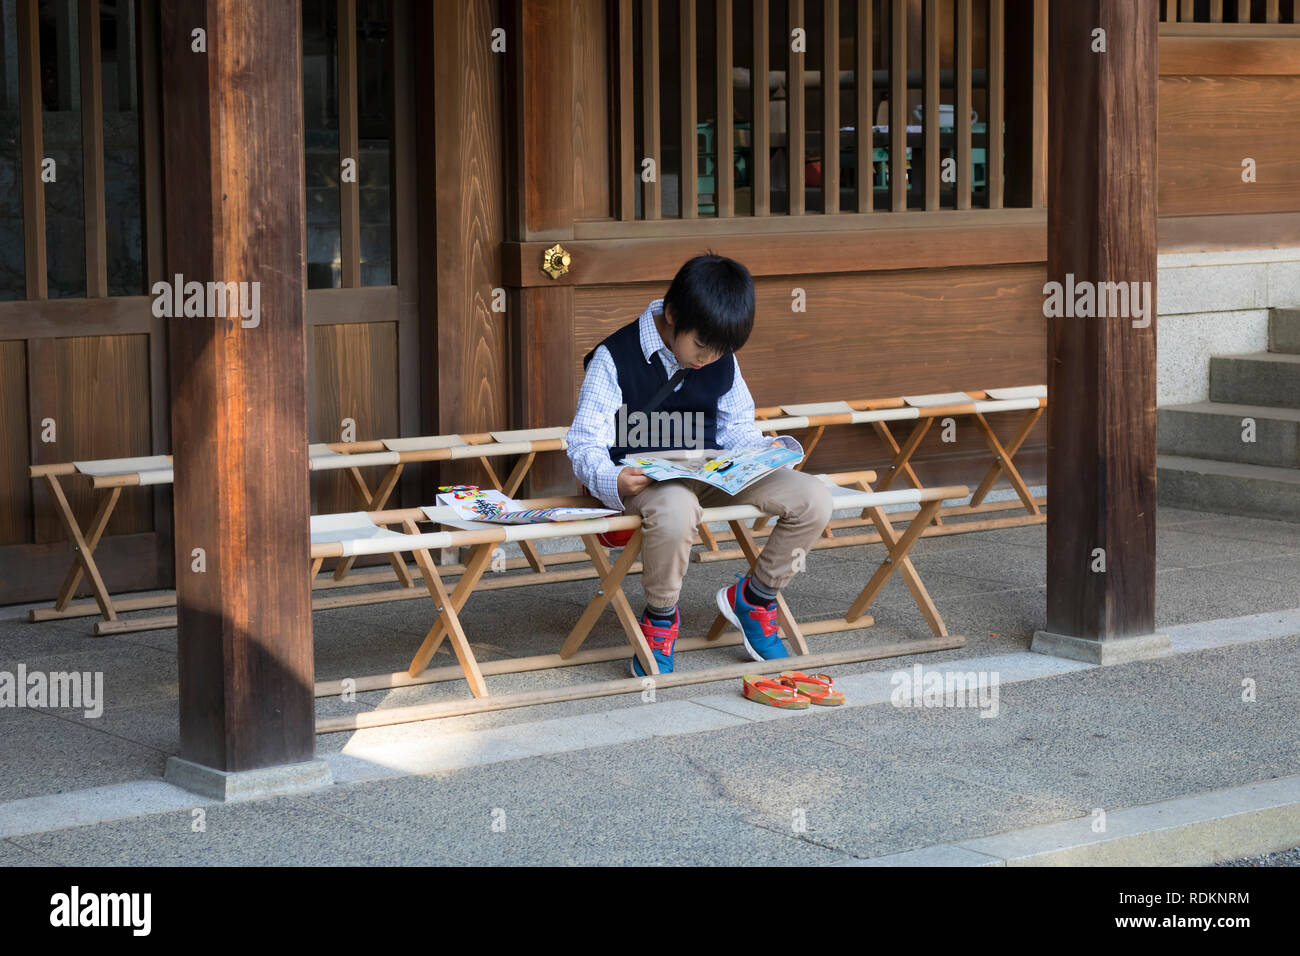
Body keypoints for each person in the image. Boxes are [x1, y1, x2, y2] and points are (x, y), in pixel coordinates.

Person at [565, 254, 834, 676]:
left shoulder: (719, 354)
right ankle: (660, 617)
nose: (708, 360)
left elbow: (738, 429)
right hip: (647, 482)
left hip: (712, 471)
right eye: (701, 347)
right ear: (672, 315)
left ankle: (757, 597)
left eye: (720, 351)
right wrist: (613, 478)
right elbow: (583, 443)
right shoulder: (613, 358)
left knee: (814, 498)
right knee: (676, 508)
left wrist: (768, 450)